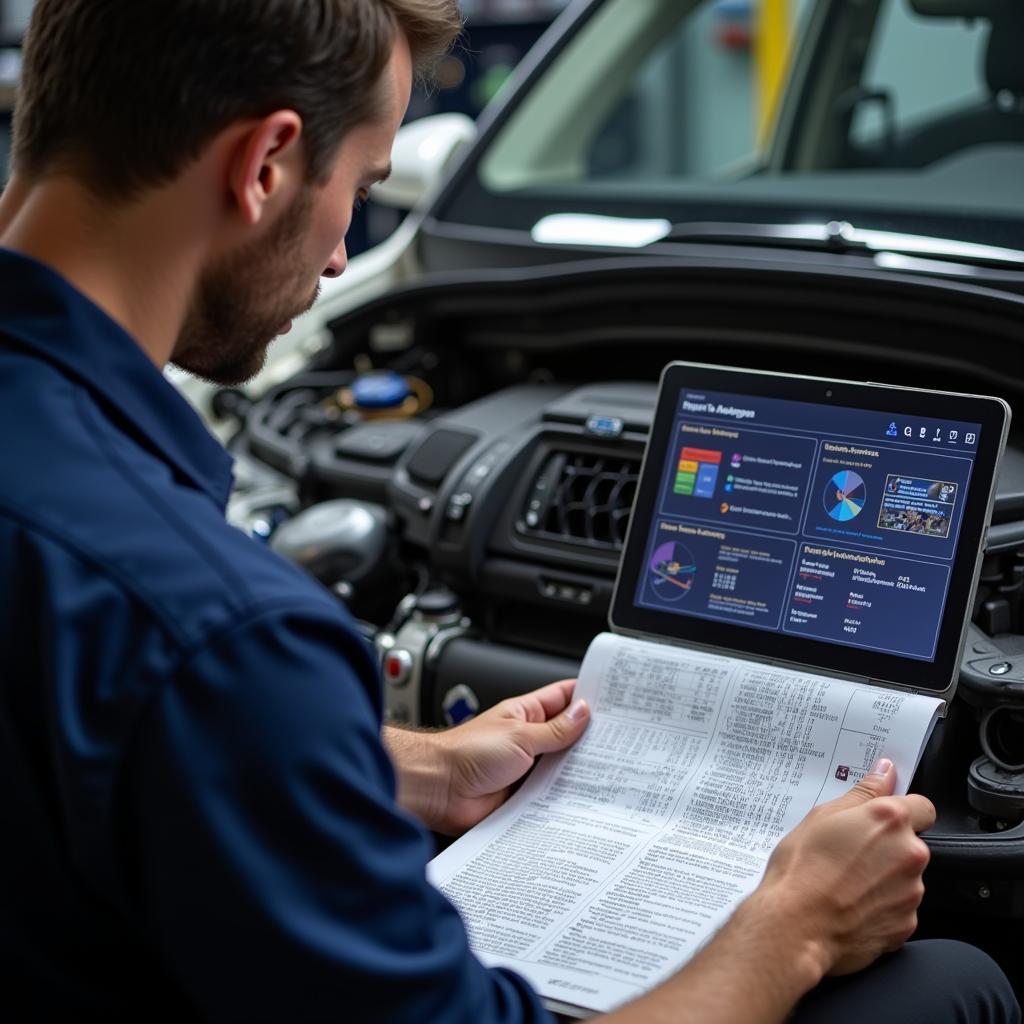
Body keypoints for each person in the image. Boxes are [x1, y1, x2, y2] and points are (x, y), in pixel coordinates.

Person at [0, 2, 1017, 1022]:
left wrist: (406, 767)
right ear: (265, 164)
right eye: (357, 188)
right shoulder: (223, 636)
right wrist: (793, 922)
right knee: (955, 979)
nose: (346, 256)